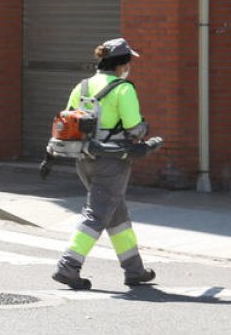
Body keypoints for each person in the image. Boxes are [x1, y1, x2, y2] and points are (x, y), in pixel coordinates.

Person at [52, 37, 159, 290]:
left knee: (117, 214)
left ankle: (134, 270)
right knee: (97, 214)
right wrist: (146, 130)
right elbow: (134, 129)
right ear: (122, 64)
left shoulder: (83, 86)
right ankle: (68, 266)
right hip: (112, 162)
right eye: (128, 62)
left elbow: (68, 119)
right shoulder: (124, 89)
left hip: (84, 158)